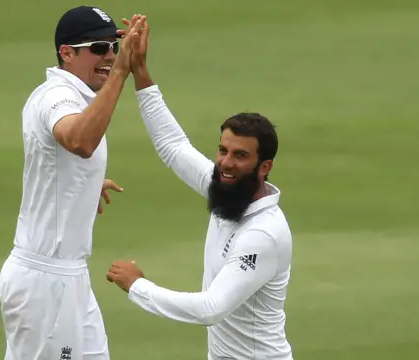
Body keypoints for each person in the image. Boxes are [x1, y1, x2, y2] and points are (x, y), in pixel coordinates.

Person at [107, 17, 295, 360]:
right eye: (223, 151)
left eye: (240, 156)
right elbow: (173, 146)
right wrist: (142, 74)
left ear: (264, 167)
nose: (225, 163)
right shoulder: (227, 189)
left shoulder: (263, 234)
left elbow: (211, 307)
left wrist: (138, 286)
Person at [0, 7, 145, 360]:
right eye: (98, 47)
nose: (109, 55)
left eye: (115, 45)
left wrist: (85, 185)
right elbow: (79, 140)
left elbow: (65, 159)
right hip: (44, 280)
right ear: (67, 53)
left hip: (71, 277)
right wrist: (122, 71)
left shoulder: (81, 97)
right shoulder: (56, 95)